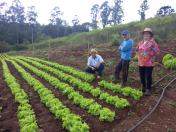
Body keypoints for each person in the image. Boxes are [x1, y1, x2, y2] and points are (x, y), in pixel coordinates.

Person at [136, 28, 160, 96]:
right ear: (143, 35)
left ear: (150, 35)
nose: (146, 35)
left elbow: (157, 51)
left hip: (149, 63)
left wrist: (149, 53)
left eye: (148, 33)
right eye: (145, 33)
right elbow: (137, 49)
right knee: (142, 76)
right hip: (141, 62)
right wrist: (138, 53)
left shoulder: (153, 43)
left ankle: (148, 89)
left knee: (148, 76)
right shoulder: (140, 42)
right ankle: (143, 87)